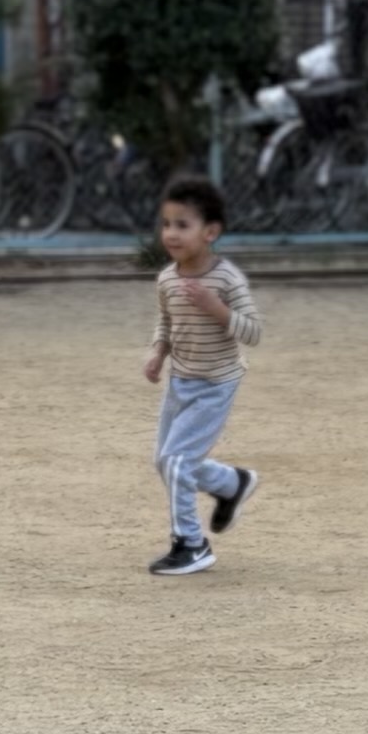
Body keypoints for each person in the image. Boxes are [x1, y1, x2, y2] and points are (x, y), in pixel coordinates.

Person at [141, 174, 260, 577]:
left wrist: (217, 309)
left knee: (177, 461)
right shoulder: (168, 278)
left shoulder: (226, 279)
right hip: (181, 380)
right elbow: (166, 320)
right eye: (167, 224)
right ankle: (232, 484)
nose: (171, 233)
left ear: (210, 232)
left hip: (216, 383)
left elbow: (253, 331)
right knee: (167, 461)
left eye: (182, 224)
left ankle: (191, 545)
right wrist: (158, 352)